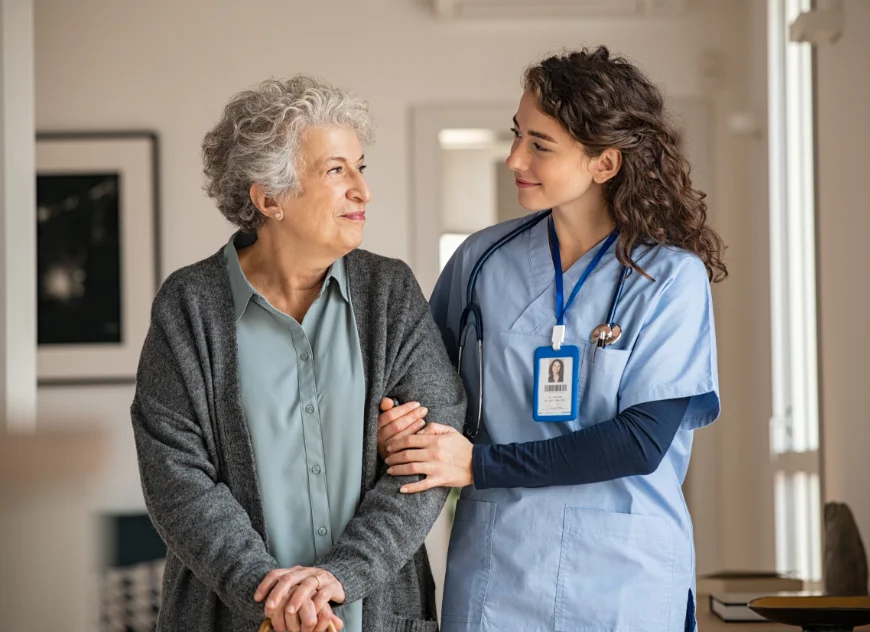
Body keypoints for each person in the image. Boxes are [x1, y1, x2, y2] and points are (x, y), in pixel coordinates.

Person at [378, 46, 725, 631]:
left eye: (540, 144)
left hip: (624, 578)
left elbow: (640, 442)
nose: (514, 157)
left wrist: (478, 465)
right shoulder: (480, 261)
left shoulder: (668, 278)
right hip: (500, 572)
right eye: (517, 135)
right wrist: (402, 424)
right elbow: (423, 387)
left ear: (604, 163)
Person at [130, 76, 465, 632]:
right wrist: (272, 597)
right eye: (336, 170)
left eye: (361, 167)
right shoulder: (188, 307)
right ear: (268, 198)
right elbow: (176, 479)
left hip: (378, 615)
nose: (362, 190)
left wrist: (341, 577)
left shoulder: (389, 292)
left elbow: (431, 452)